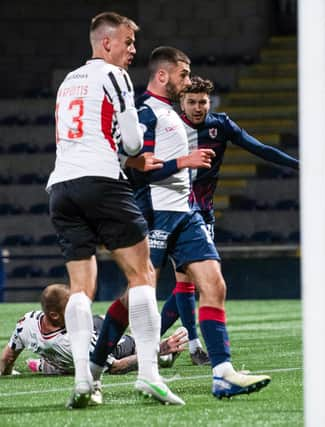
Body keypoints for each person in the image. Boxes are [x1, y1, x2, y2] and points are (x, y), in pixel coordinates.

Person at [90, 47, 271, 399]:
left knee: (214, 284)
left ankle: (223, 373)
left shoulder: (169, 114)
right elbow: (132, 164)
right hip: (154, 215)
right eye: (183, 74)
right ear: (163, 76)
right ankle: (95, 368)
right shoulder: (145, 113)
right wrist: (184, 161)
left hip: (184, 214)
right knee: (133, 300)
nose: (187, 80)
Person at [46, 12, 183, 408]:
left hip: (62, 188)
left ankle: (83, 381)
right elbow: (135, 143)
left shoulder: (66, 82)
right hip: (102, 182)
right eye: (127, 42)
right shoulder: (114, 76)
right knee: (143, 274)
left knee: (81, 287)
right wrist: (132, 154)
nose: (133, 51)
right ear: (106, 43)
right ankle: (149, 376)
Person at [157, 75, 299, 366]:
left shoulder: (220, 125)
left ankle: (147, 339)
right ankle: (195, 345)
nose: (198, 107)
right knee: (186, 279)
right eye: (192, 101)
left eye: (203, 102)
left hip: (204, 212)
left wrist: (300, 164)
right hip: (174, 209)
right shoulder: (168, 125)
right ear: (181, 102)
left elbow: (260, 149)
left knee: (197, 280)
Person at [0, 284, 187, 385]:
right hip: (117, 348)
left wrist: (9, 373)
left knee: (99, 320)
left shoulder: (27, 322)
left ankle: (48, 365)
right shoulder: (72, 342)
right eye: (72, 308)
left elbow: (7, 358)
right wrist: (158, 349)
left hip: (72, 343)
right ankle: (166, 354)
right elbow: (116, 367)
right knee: (138, 344)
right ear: (55, 314)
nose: (78, 310)